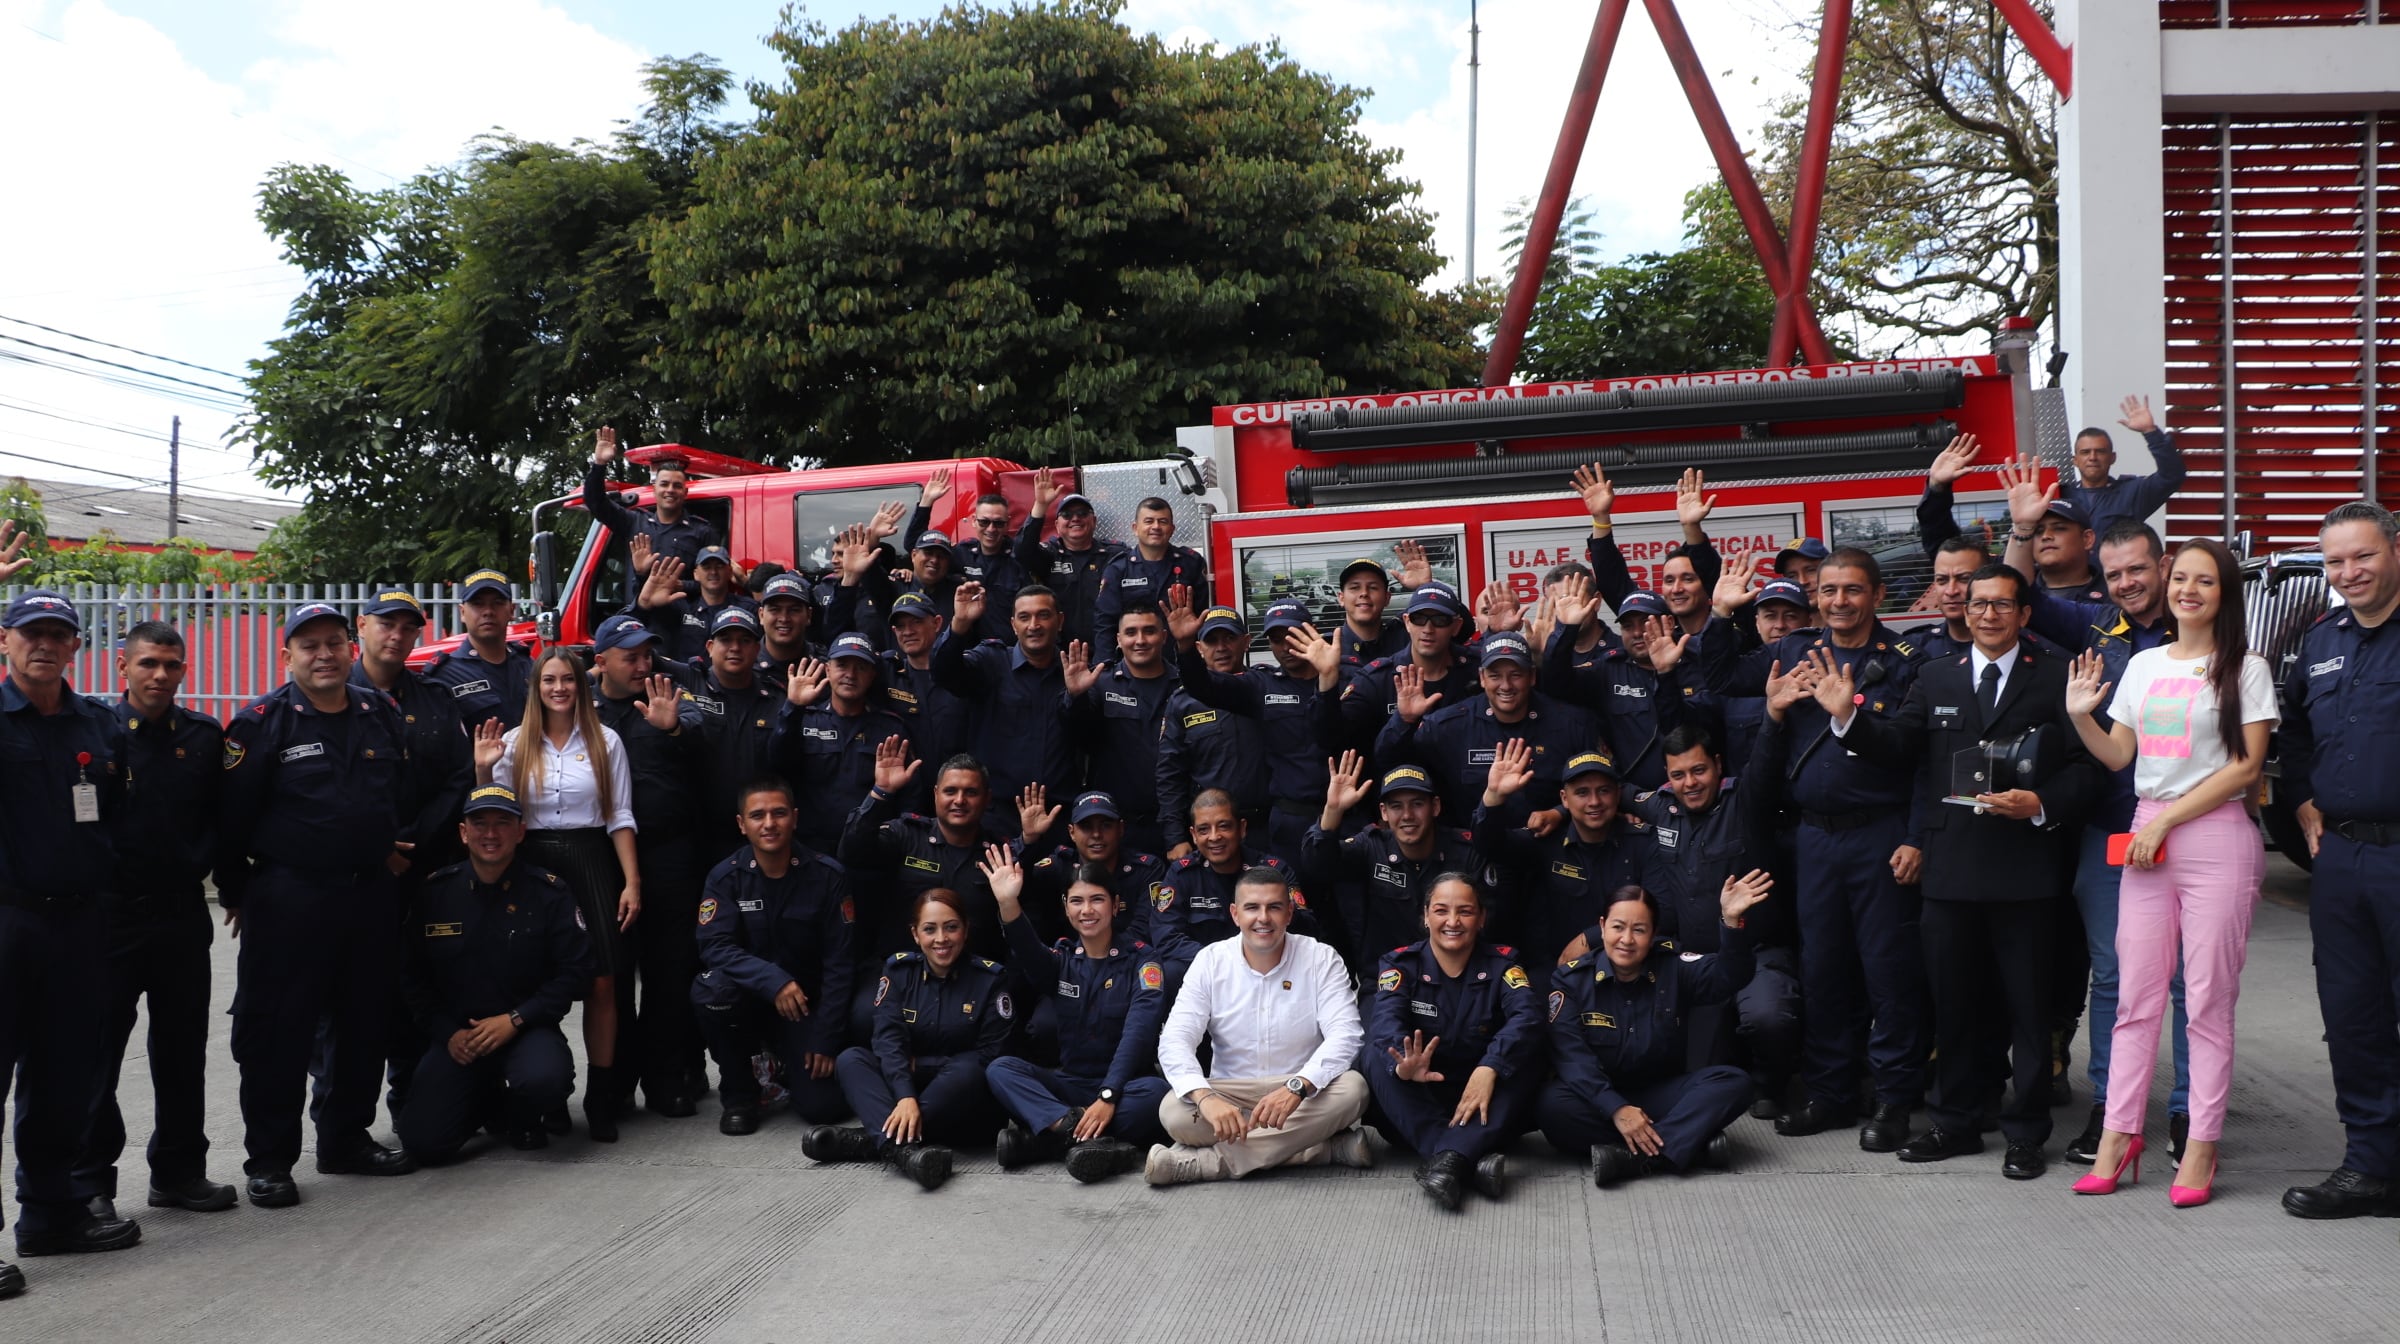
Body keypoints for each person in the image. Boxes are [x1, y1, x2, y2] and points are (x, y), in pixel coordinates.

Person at [1825, 564, 2103, 1181]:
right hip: (1951, 872)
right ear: (1965, 611)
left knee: (2028, 1010)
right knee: (1953, 1007)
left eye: (2002, 605)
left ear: (2024, 615)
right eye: (1978, 604)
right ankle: (1954, 1122)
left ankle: (2026, 1133)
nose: (1987, 615)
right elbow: (1901, 747)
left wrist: (2042, 803)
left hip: (2028, 872)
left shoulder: (2057, 675)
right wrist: (1849, 720)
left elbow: (2087, 766)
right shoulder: (1935, 675)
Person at [2064, 538, 2275, 1207]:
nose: (2188, 590)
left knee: (2207, 1000)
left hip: (2214, 835)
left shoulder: (2246, 668)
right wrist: (2080, 717)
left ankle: (2201, 1144)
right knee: (2134, 998)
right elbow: (2117, 754)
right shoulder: (2144, 664)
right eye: (2180, 577)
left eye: (2204, 581)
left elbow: (2246, 768)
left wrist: (2163, 823)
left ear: (2224, 593)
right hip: (2148, 834)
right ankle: (2118, 1137)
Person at [1711, 549, 1931, 1153]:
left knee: (1888, 972)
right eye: (1829, 590)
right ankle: (1831, 1091)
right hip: (1814, 838)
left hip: (1880, 835)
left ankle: (1893, 1099)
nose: (1839, 601)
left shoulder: (1905, 661)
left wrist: (1915, 835)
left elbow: (1921, 759)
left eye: (1852, 590)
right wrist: (1722, 617)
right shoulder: (1793, 652)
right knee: (1824, 970)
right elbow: (1719, 677)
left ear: (1877, 595)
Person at [217, 602, 417, 1207]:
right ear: (288, 657)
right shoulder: (260, 724)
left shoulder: (380, 712)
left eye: (334, 643)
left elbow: (394, 795)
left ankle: (345, 1140)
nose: (324, 655)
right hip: (291, 898)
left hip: (367, 894)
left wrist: (385, 848)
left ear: (351, 649)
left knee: (362, 1024)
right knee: (279, 1031)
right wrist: (239, 893)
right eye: (309, 646)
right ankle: (270, 1161)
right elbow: (230, 822)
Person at [2011, 508, 2189, 1165]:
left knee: (2190, 984)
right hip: (2113, 832)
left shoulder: (2202, 628)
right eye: (2114, 574)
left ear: (2164, 565)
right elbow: (2023, 594)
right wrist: (2023, 531)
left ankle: (2189, 1114)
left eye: (2138, 569)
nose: (2126, 583)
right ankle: (2114, 1113)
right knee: (2114, 978)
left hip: (2192, 828)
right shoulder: (2095, 626)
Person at [73, 621, 237, 1222]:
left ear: (184, 670)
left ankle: (179, 1171)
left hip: (181, 915)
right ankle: (89, 1182)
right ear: (123, 667)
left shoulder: (203, 737)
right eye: (148, 663)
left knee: (182, 1052)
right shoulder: (95, 732)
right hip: (110, 918)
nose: (160, 675)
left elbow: (222, 822)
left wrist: (236, 889)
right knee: (98, 1057)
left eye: (171, 665)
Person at [0, 589, 140, 1282]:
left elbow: (114, 816)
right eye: (31, 633)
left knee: (64, 1078)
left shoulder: (100, 725)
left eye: (59, 634)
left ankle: (50, 1216)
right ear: (5, 640)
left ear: (77, 647)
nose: (45, 645)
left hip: (79, 924)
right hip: (7, 920)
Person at [2280, 501, 2400, 1219]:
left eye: (2363, 555)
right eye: (2336, 561)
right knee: (2353, 1015)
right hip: (2344, 860)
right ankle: (2372, 1168)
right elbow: (2294, 731)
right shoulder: (2322, 639)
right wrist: (2300, 798)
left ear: (2395, 550)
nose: (2349, 572)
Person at [476, 647, 642, 1142]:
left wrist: (632, 881)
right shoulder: (513, 742)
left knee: (603, 982)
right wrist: (483, 771)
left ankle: (601, 1098)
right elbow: (494, 812)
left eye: (568, 679)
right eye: (549, 680)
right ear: (536, 687)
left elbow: (620, 815)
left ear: (581, 685)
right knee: (535, 979)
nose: (559, 688)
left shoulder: (606, 741)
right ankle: (547, 1096)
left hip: (592, 861)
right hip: (533, 863)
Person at [394, 785, 591, 1162]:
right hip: (461, 1038)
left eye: (502, 823)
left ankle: (520, 1114)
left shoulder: (549, 892)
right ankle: (487, 1102)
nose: (490, 833)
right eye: (479, 823)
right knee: (424, 1144)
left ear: (520, 832)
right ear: (463, 832)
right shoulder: (435, 893)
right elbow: (412, 978)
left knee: (545, 1079)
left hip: (525, 1030)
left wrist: (516, 1019)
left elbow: (575, 973)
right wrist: (447, 1033)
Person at [1538, 877, 1772, 1187]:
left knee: (1733, 1082)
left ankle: (1633, 1157)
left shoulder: (1674, 966)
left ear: (1653, 935)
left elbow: (1729, 976)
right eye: (1618, 927)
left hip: (1662, 1094)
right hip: (1601, 1098)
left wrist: (1731, 922)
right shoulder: (1571, 980)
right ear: (1602, 927)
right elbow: (1572, 1059)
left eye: (1639, 930)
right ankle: (1686, 1143)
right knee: (1551, 1106)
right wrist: (1617, 1109)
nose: (1627, 939)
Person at [1148, 868, 1372, 1185]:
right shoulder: (1210, 961)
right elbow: (1175, 1039)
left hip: (1300, 1093)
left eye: (1274, 907)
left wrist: (1297, 1087)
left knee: (1353, 1090)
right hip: (1231, 1093)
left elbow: (1346, 1035)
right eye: (1252, 907)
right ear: (1235, 914)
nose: (1263, 918)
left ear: (1289, 913)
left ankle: (1208, 1164)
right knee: (1173, 1111)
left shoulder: (1321, 958)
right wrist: (1206, 1098)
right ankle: (1318, 1149)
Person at [343, 590, 473, 1119]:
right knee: (354, 1001)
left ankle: (412, 1110)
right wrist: (378, 846)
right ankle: (346, 1125)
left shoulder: (435, 698)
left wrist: (412, 843)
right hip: (356, 876)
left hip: (424, 870)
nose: (396, 636)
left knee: (420, 991)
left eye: (407, 627)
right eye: (386, 624)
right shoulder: (331, 695)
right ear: (361, 626)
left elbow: (459, 777)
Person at [1631, 724, 1802, 1110]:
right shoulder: (1660, 806)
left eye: (1699, 770)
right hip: (1699, 963)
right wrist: (1560, 811)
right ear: (1667, 777)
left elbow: (1766, 762)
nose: (1689, 783)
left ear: (1718, 766)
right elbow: (1611, 794)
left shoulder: (1747, 801)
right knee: (1693, 1071)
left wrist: (1775, 715)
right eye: (1678, 774)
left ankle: (1770, 1085)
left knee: (1768, 1017)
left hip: (1756, 953)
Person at [981, 847, 1170, 1182]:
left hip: (1126, 1088)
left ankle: (1045, 1141)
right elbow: (1027, 950)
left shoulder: (1144, 961)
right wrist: (1008, 903)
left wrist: (1108, 1095)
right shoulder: (1062, 958)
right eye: (1077, 901)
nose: (1087, 910)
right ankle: (1082, 1134)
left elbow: (1138, 1034)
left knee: (1158, 1097)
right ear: (1066, 907)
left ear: (1115, 904)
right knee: (1001, 1069)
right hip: (1070, 1087)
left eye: (1097, 900)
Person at [586, 614, 709, 1121]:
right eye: (630, 657)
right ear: (601, 662)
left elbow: (707, 740)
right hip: (604, 857)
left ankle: (665, 1079)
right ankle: (615, 1083)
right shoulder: (580, 704)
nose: (643, 665)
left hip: (667, 854)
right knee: (612, 975)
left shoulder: (670, 693)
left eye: (647, 655)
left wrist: (673, 727)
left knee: (669, 973)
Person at [807, 889, 1012, 1190]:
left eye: (951, 927)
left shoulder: (990, 979)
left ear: (966, 930)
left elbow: (990, 1055)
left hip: (964, 1106)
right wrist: (905, 1095)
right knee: (852, 1059)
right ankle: (903, 1153)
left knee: (971, 1068)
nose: (941, 938)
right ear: (915, 934)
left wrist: (921, 1068)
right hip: (907, 1087)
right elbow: (887, 1038)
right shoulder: (899, 971)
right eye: (930, 929)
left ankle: (873, 1140)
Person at [1365, 874, 1544, 1209]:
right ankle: (1461, 1158)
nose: (1452, 921)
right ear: (1425, 915)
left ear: (1481, 918)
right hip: (1419, 1103)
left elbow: (1528, 1017)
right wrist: (1404, 1066)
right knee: (1375, 1057)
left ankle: (1447, 1161)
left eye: (1465, 911)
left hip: (1484, 1103)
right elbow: (1385, 1021)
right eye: (1441, 910)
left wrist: (1490, 1067)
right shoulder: (1400, 965)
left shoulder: (1503, 964)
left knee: (1529, 1054)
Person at [692, 778, 857, 1136]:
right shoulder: (725, 877)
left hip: (804, 1007)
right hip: (748, 1001)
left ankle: (781, 1068)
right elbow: (714, 945)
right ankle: (740, 1095)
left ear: (794, 818)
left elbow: (840, 963)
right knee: (711, 991)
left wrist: (826, 1038)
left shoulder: (827, 876)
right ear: (742, 824)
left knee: (823, 1108)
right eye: (758, 815)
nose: (769, 824)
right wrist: (774, 981)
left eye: (779, 813)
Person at [1166, 592, 1345, 863]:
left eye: (1293, 635)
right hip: (1286, 820)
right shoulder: (1261, 685)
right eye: (1276, 639)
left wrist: (1329, 677)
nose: (1286, 646)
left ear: (1313, 632)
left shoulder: (1348, 677)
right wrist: (1185, 646)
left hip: (1345, 816)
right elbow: (1203, 687)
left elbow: (1335, 736)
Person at [1473, 744, 1673, 972]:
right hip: (1557, 974)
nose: (1594, 801)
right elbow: (1489, 846)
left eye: (1604, 791)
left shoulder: (1643, 842)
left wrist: (1592, 937)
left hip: (1627, 974)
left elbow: (1663, 913)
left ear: (1618, 794)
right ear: (1564, 799)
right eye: (1582, 792)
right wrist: (1494, 797)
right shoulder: (1546, 839)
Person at [840, 742, 1010, 998]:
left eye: (971, 792)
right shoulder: (907, 835)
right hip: (901, 973)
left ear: (987, 798)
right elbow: (851, 852)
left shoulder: (999, 854)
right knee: (864, 1015)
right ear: (936, 794)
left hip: (970, 980)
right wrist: (881, 792)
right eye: (950, 791)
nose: (959, 800)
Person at [1381, 628, 1597, 826]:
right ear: (1482, 678)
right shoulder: (1448, 727)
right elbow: (1388, 763)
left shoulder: (1572, 724)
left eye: (1515, 675)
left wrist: (1560, 812)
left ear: (1532, 676)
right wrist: (1404, 721)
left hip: (1551, 846)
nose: (1506, 685)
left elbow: (1599, 788)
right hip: (1469, 848)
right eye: (1495, 676)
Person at [1302, 757, 1481, 976]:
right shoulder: (1372, 846)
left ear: (1435, 807)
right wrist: (1333, 811)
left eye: (1417, 804)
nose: (1407, 815)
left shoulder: (1464, 851)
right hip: (1386, 978)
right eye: (1396, 806)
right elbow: (1317, 866)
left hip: (1454, 977)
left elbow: (1488, 922)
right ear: (1384, 812)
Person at [934, 582, 1080, 838]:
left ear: (1059, 621)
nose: (1034, 625)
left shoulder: (1075, 672)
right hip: (997, 818)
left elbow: (1090, 736)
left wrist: (1077, 696)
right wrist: (960, 625)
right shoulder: (991, 661)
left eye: (1043, 615)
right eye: (1024, 617)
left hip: (1059, 816)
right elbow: (944, 673)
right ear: (1013, 625)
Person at [770, 635, 912, 856]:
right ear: (828, 670)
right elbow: (776, 765)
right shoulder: (803, 719)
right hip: (809, 852)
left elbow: (909, 798)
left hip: (870, 851)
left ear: (872, 675)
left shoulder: (891, 729)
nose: (850, 675)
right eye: (842, 665)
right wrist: (793, 707)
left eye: (860, 667)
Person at [1156, 604, 1272, 858]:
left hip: (1267, 829)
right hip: (1210, 836)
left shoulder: (1269, 688)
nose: (1221, 647)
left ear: (1246, 642)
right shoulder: (1183, 702)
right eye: (1211, 640)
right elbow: (1170, 775)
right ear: (1199, 648)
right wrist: (1175, 838)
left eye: (1229, 638)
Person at [1150, 790, 1306, 978]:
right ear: (1193, 835)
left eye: (1223, 826)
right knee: (1170, 971)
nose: (1214, 837)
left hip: (1267, 967)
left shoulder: (1274, 872)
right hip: (1208, 972)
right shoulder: (1181, 874)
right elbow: (1165, 934)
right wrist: (1220, 962)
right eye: (1204, 829)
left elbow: (1305, 927)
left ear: (1242, 828)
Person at [1063, 604, 1177, 857]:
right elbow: (1079, 736)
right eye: (1131, 632)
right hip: (1115, 829)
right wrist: (1077, 696)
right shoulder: (1100, 684)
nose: (1140, 640)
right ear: (1118, 639)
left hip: (1174, 827)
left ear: (1163, 636)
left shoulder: (1183, 686)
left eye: (1149, 631)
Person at [1572, 464, 1724, 640]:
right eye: (1669, 580)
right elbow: (1612, 583)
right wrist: (1601, 518)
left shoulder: (1730, 627)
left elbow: (1709, 568)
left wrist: (1691, 527)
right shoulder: (1658, 633)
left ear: (1708, 585)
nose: (1677, 589)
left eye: (1688, 579)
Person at [1016, 790, 1169, 947]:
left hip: (1130, 958)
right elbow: (1012, 889)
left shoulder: (1146, 870)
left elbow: (1145, 929)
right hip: (1064, 958)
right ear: (1072, 832)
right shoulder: (1058, 867)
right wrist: (1028, 841)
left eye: (1106, 825)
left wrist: (1097, 955)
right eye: (1086, 826)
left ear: (1120, 828)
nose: (1096, 834)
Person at [690, 607, 781, 860]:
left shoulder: (777, 698)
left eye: (744, 641)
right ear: (710, 647)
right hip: (697, 833)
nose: (735, 648)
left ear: (757, 649)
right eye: (725, 640)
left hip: (760, 834)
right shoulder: (688, 686)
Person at [909, 467, 1027, 644]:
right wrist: (926, 503)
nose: (991, 529)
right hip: (970, 649)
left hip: (1010, 649)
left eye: (998, 523)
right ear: (974, 521)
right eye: (984, 522)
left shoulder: (1019, 557)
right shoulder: (962, 553)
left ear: (1007, 524)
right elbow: (917, 548)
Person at [584, 425, 719, 573]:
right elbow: (595, 502)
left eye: (677, 486)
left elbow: (712, 579)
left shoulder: (702, 532)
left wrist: (677, 584)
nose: (670, 490)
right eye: (664, 484)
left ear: (685, 492)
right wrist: (599, 464)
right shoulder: (634, 522)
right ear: (654, 490)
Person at [1016, 473, 1123, 648]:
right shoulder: (1049, 554)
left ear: (1094, 521)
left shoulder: (1115, 554)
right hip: (1058, 651)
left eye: (1082, 513)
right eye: (1067, 514)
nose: (1075, 518)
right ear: (1057, 525)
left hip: (1106, 649)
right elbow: (1022, 551)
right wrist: (1041, 506)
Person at [1095, 496, 1207, 662]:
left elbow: (1204, 615)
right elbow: (1105, 623)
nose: (1156, 527)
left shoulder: (1191, 563)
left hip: (1182, 661)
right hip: (1135, 665)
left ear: (1172, 529)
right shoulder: (1118, 569)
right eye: (1149, 521)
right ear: (1135, 528)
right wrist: (1105, 667)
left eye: (1163, 521)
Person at [2061, 395, 2189, 539]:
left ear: (2112, 458)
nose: (2093, 457)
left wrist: (2151, 432)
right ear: (2075, 460)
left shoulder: (2132, 493)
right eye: (2085, 452)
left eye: (2100, 451)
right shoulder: (2061, 496)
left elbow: (2172, 476)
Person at [424, 569, 535, 731]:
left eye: (497, 603)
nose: (488, 611)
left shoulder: (528, 665)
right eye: (477, 604)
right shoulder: (444, 676)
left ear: (511, 610)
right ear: (462, 612)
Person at [631, 540, 757, 666]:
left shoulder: (747, 608)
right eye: (706, 567)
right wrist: (643, 598)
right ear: (696, 574)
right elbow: (636, 628)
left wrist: (747, 583)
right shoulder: (681, 607)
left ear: (729, 572)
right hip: (687, 678)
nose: (713, 572)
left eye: (719, 566)